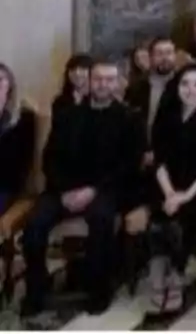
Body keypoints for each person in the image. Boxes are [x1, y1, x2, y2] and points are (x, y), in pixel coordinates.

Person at [21, 61, 139, 317]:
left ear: (118, 83)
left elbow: (128, 165)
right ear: (88, 81)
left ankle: (98, 290)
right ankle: (36, 289)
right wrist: (64, 191)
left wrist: (92, 191)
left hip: (105, 189)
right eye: (98, 79)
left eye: (109, 79)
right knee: (33, 225)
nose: (103, 85)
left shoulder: (129, 119)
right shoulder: (68, 115)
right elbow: (50, 157)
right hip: (62, 188)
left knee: (100, 218)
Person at [148, 64, 196, 313]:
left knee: (187, 216)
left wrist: (186, 195)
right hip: (167, 183)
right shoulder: (166, 115)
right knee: (160, 214)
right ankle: (159, 270)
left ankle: (177, 276)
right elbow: (158, 159)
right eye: (185, 83)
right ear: (177, 86)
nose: (191, 90)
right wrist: (170, 192)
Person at [0, 63, 36, 215]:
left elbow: (20, 164)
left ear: (9, 85)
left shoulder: (24, 118)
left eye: (0, 79)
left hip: (5, 186)